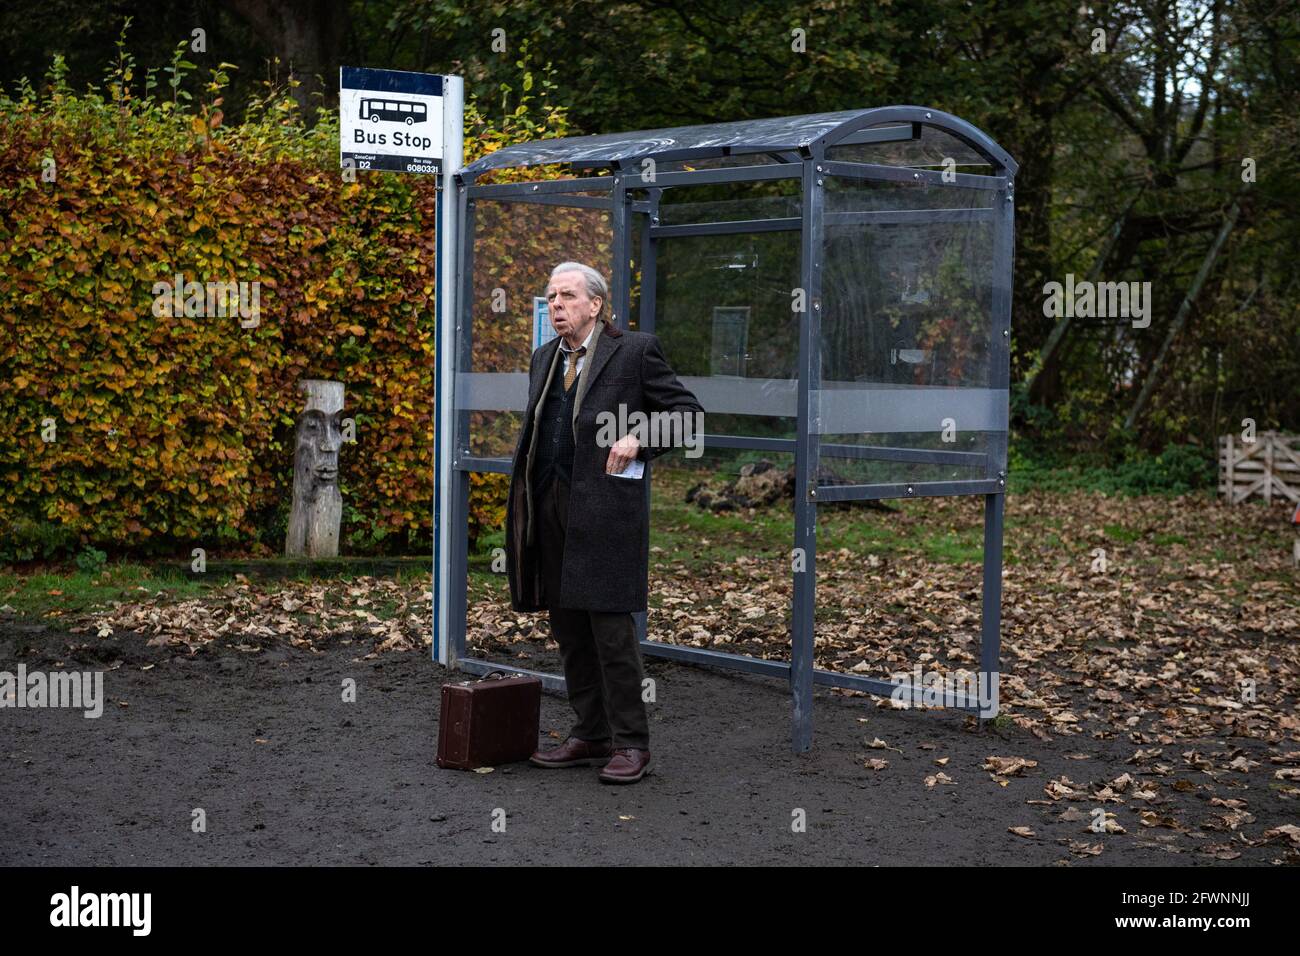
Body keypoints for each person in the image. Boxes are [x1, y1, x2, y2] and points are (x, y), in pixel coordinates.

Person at [504, 262, 703, 784]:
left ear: (595, 304)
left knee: (611, 633)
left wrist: (640, 437)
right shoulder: (544, 358)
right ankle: (591, 732)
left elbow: (686, 412)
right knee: (568, 629)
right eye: (550, 297)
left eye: (567, 296)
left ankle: (631, 743)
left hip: (605, 513)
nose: (556, 306)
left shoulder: (635, 351)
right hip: (548, 504)